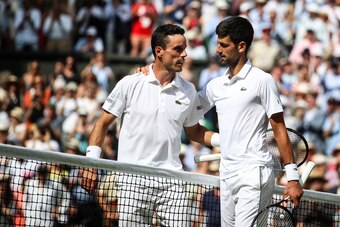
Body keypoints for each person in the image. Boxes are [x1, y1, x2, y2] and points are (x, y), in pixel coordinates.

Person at [81, 24, 218, 226]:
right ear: (159, 51)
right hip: (132, 180)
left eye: (185, 48)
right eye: (178, 49)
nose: (185, 54)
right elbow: (102, 124)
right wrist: (91, 164)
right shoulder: (130, 83)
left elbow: (194, 131)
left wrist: (224, 141)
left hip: (172, 180)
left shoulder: (188, 89)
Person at [197, 16, 304, 226]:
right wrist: (152, 72)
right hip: (226, 173)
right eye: (218, 44)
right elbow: (186, 108)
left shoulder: (262, 80)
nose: (218, 49)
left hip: (254, 172)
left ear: (241, 46)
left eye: (223, 45)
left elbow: (279, 128)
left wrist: (292, 177)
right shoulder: (215, 85)